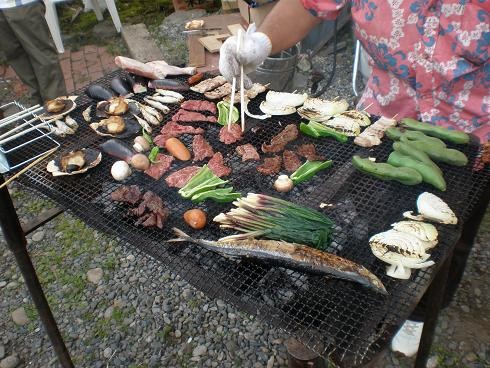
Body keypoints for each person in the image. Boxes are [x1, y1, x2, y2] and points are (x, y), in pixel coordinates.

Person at [219, 0, 489, 358]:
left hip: (473, 133)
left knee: (449, 233)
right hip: (384, 119)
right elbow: (310, 4)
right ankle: (368, 280)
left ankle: (419, 313)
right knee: (370, 209)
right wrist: (262, 42)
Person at [0, 0, 66, 105]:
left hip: (24, 5)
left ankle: (58, 106)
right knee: (17, 58)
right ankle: (38, 107)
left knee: (41, 55)